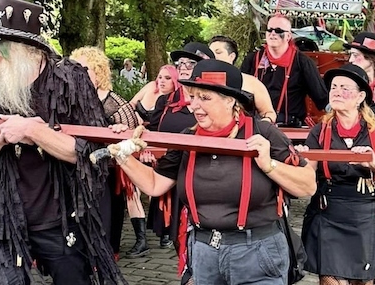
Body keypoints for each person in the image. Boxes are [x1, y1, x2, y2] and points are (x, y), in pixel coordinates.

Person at [0, 0, 124, 284]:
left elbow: (94, 154)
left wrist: (34, 132)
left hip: (62, 217)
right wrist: (1, 137)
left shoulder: (71, 81)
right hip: (1, 217)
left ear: (27, 47)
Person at [114, 59, 316, 284]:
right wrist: (122, 155)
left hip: (258, 252)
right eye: (192, 96)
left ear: (230, 100)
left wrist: (269, 165)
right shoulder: (187, 139)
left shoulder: (262, 133)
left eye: (205, 98)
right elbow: (154, 184)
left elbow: (308, 184)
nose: (194, 105)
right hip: (204, 252)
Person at [297, 63, 375, 284]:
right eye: (334, 87)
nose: (336, 91)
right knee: (329, 280)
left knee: (362, 282)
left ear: (360, 96)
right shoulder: (319, 131)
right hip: (328, 213)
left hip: (366, 216)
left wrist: (374, 164)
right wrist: (301, 161)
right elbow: (306, 178)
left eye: (345, 88)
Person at [70, 46, 143, 259]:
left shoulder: (115, 104)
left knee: (105, 220)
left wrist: (120, 135)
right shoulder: (71, 100)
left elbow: (133, 140)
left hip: (106, 175)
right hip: (75, 170)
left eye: (84, 69)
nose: (78, 74)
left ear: (98, 71)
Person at [145, 42, 213, 249]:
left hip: (204, 182)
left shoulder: (217, 102)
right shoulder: (164, 101)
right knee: (179, 240)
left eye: (191, 63)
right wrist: (148, 151)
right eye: (180, 63)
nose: (183, 67)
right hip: (172, 178)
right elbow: (153, 133)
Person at [241, 14, 329, 127]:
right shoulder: (252, 59)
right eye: (269, 30)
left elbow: (321, 97)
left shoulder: (302, 62)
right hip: (256, 125)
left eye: (278, 30)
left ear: (288, 36)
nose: (272, 34)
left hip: (289, 126)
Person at [209, 35, 277, 123]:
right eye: (210, 53)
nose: (213, 56)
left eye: (218, 52)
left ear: (232, 56)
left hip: (246, 132)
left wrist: (263, 125)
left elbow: (269, 113)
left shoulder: (251, 82)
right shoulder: (201, 80)